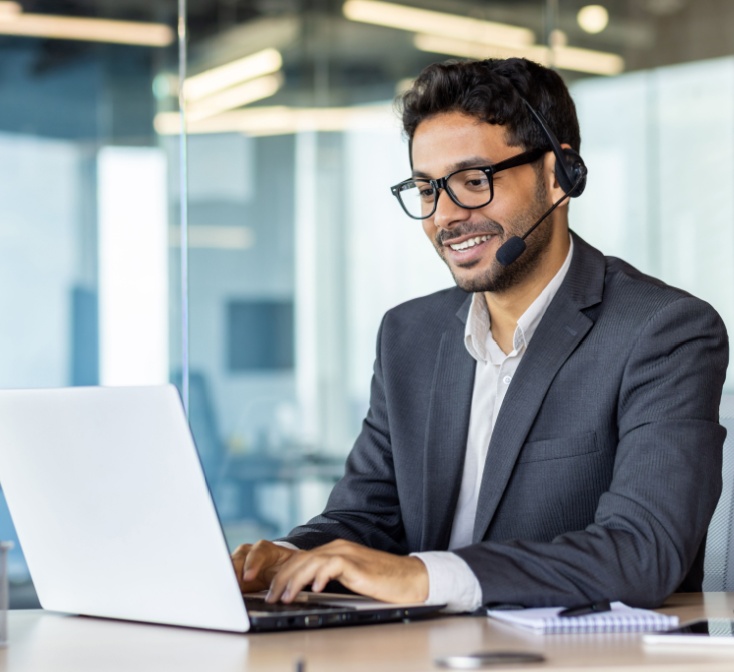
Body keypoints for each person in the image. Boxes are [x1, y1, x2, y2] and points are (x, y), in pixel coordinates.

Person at [232, 57, 729, 612]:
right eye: (426, 189)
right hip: (422, 652)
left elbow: (644, 552)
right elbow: (365, 519)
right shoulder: (408, 336)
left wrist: (424, 578)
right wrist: (281, 557)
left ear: (560, 175)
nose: (445, 216)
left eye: (474, 181)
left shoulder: (662, 331)